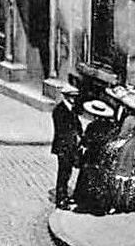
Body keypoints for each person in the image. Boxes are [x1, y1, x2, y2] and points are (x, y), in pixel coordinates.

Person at [73, 99, 117, 214]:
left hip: (92, 157)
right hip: (105, 158)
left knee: (89, 179)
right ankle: (102, 205)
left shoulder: (92, 126)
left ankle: (87, 204)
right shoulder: (111, 127)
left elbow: (87, 140)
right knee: (102, 180)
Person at [106, 85, 135, 214]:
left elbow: (122, 135)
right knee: (133, 175)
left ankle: (120, 203)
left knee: (123, 173)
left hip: (127, 149)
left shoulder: (129, 120)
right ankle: (132, 202)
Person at [50, 81, 83, 209]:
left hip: (71, 146)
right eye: (71, 96)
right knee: (63, 173)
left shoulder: (72, 110)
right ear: (66, 96)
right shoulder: (59, 110)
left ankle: (64, 196)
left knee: (67, 172)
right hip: (63, 147)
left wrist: (81, 136)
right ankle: (60, 199)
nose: (74, 99)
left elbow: (78, 126)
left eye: (75, 96)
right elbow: (62, 131)